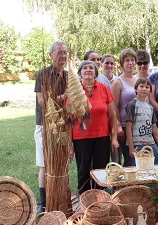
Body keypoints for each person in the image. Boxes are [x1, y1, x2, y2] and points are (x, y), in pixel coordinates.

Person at [68, 60, 118, 194]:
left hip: (102, 137)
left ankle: (100, 201)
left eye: (91, 68)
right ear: (80, 73)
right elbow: (69, 120)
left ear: (96, 72)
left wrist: (114, 138)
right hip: (81, 138)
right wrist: (70, 145)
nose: (88, 70)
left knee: (101, 171)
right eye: (85, 68)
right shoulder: (73, 91)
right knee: (83, 171)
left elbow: (112, 115)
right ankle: (84, 201)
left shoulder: (103, 88)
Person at [34, 41, 68, 213]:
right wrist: (64, 96)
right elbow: (43, 102)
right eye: (59, 52)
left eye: (65, 53)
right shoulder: (43, 74)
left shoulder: (69, 76)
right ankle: (43, 201)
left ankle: (61, 197)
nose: (63, 56)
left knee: (62, 162)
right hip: (45, 127)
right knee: (45, 164)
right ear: (51, 55)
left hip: (63, 128)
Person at [126, 78, 158, 165]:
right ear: (136, 89)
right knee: (140, 168)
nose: (144, 89)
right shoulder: (132, 105)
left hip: (151, 143)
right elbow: (128, 127)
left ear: (150, 91)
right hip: (137, 144)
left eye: (147, 87)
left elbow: (154, 128)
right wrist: (131, 147)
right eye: (141, 86)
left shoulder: (150, 107)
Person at [111, 48, 138, 166]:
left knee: (138, 158)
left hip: (138, 125)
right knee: (129, 159)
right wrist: (118, 128)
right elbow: (114, 107)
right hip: (124, 125)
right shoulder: (118, 82)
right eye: (127, 60)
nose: (130, 63)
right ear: (122, 64)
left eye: (132, 60)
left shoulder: (138, 80)